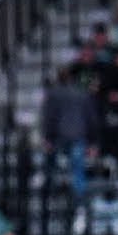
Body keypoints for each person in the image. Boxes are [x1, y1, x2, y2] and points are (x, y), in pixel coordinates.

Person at [40, 66, 100, 202]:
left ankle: (50, 194)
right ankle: (78, 199)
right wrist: (93, 142)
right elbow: (91, 118)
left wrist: (46, 138)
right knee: (77, 169)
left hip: (58, 135)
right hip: (77, 135)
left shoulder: (53, 94)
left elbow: (48, 117)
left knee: (52, 166)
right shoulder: (82, 93)